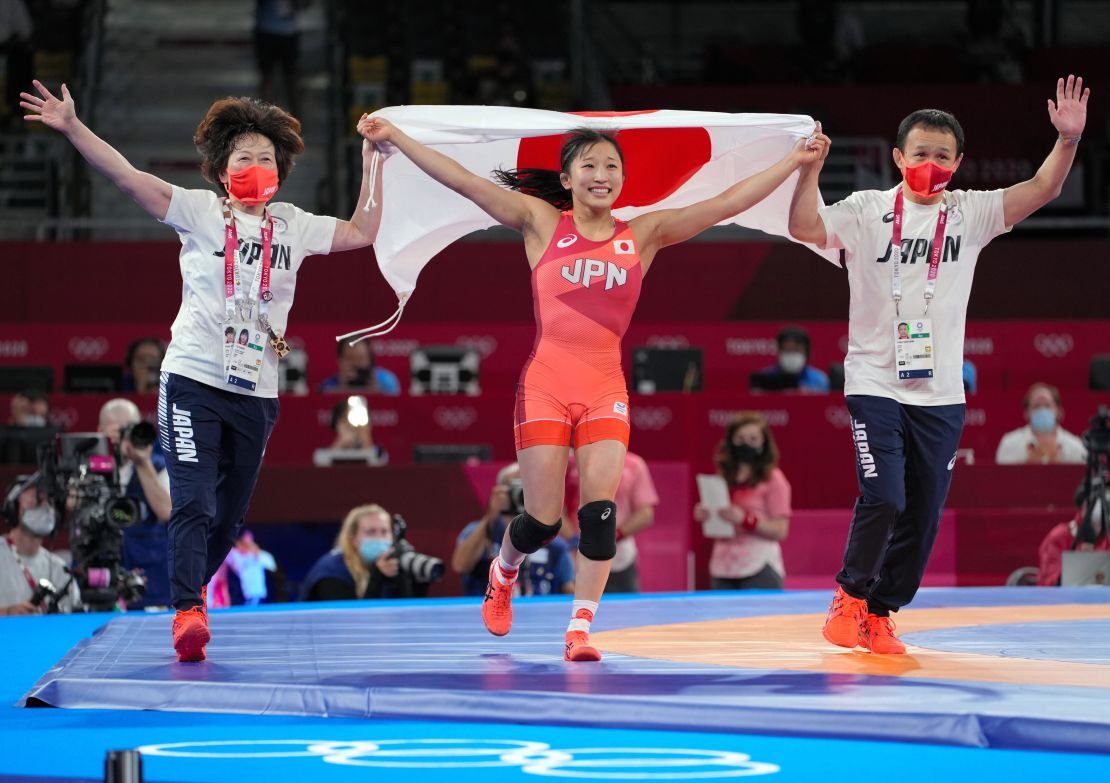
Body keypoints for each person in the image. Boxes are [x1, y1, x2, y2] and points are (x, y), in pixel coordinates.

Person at [361, 113, 827, 660]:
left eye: (611, 166)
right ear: (567, 179)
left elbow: (725, 204)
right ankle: (503, 570)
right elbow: (466, 182)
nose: (600, 174)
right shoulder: (540, 223)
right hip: (546, 384)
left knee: (599, 514)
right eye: (589, 165)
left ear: (622, 180)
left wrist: (797, 163)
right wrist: (397, 138)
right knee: (541, 520)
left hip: (605, 383)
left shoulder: (644, 234)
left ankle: (579, 630)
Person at [22, 81, 382, 660]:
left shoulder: (293, 224)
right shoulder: (197, 210)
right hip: (191, 379)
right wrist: (71, 126)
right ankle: (188, 610)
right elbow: (126, 177)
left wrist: (374, 160)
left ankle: (187, 596)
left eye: (267, 158)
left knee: (230, 514)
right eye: (244, 158)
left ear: (282, 170)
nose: (257, 166)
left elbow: (362, 232)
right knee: (193, 501)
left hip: (258, 389)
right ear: (220, 169)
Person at [787, 75, 1090, 654]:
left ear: (959, 162)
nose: (930, 162)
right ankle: (848, 597)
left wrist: (1068, 141)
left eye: (942, 155)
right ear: (898, 156)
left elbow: (1042, 188)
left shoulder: (971, 213)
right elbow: (805, 227)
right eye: (920, 152)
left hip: (941, 393)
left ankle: (879, 613)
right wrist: (809, 172)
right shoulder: (866, 209)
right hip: (875, 380)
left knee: (923, 515)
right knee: (886, 497)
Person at [694, 413, 791, 589]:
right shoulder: (722, 477)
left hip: (758, 565)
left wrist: (746, 519)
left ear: (764, 443)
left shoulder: (773, 478)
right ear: (730, 442)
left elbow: (780, 530)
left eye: (753, 438)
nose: (746, 444)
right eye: (740, 438)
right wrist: (708, 515)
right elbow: (719, 526)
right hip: (722, 566)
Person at [452, 463, 575, 597]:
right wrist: (490, 516)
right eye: (515, 487)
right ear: (500, 492)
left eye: (528, 487)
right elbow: (460, 565)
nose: (522, 494)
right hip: (486, 612)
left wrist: (554, 518)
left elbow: (569, 591)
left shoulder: (550, 540)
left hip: (538, 612)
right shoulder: (479, 531)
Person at [98, 398, 172, 609]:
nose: (123, 438)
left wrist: (142, 463)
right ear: (100, 430)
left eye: (128, 430)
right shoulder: (87, 465)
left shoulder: (160, 467)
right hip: (100, 578)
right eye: (116, 431)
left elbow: (166, 511)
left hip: (150, 582)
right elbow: (70, 506)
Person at [302, 503, 440, 600]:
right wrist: (377, 578)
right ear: (354, 539)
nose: (379, 538)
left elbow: (406, 618)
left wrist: (418, 584)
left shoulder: (389, 565)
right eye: (371, 532)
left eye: (385, 531)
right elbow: (352, 626)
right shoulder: (331, 572)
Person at [564, 451, 657, 593]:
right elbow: (555, 512)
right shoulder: (568, 464)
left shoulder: (634, 464)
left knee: (626, 611)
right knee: (577, 611)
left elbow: (645, 513)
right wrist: (575, 540)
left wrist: (613, 536)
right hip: (576, 559)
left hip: (620, 559)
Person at [0, 475, 81, 614]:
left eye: (49, 501)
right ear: (13, 507)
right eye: (37, 499)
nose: (45, 507)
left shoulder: (59, 569)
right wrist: (6, 613)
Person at [995, 382, 1087, 465]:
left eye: (1047, 405)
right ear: (1026, 414)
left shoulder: (1076, 446)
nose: (1042, 411)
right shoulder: (1010, 443)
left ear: (1059, 412)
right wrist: (1029, 465)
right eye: (1036, 406)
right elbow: (1004, 480)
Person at [1037, 482, 1109, 586]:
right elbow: (1048, 583)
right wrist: (1081, 564)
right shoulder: (1060, 537)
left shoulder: (1107, 536)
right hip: (1067, 601)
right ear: (1083, 506)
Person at [754, 325, 830, 393]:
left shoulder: (820, 380)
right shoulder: (764, 378)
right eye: (787, 350)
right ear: (779, 351)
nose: (791, 355)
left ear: (807, 352)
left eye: (797, 350)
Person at [317, 339, 401, 395]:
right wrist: (342, 389)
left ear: (370, 360)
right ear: (339, 361)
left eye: (361, 359)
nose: (356, 364)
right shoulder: (327, 387)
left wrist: (378, 394)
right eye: (350, 359)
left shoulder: (387, 381)